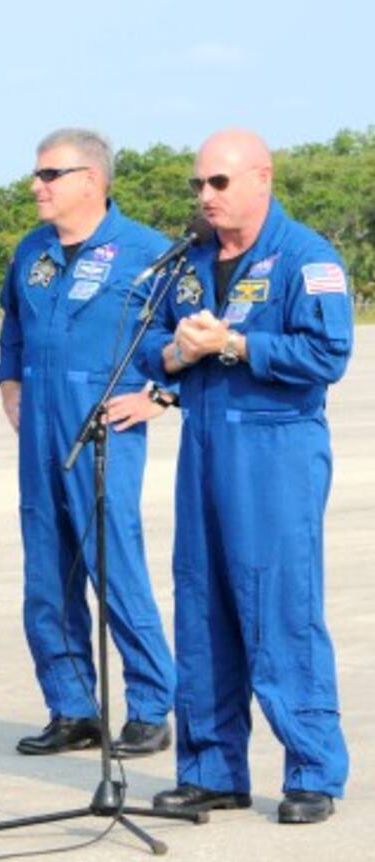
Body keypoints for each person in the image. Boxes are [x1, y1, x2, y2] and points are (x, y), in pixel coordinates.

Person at [139, 129, 351, 824]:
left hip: (275, 450)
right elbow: (141, 340)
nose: (206, 197)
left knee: (278, 607)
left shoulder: (305, 258)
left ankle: (313, 768)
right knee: (201, 605)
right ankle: (211, 770)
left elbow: (328, 351)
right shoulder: (189, 263)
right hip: (203, 446)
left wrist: (233, 343)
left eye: (220, 184)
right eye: (199, 185)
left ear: (262, 178)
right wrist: (174, 352)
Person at [0, 129, 177, 757]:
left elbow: (198, 340)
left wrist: (158, 397)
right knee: (46, 573)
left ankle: (152, 705)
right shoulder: (32, 251)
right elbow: (13, 324)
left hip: (104, 426)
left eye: (50, 175)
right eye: (37, 173)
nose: (36, 185)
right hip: (40, 424)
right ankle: (72, 707)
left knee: (113, 565)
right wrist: (8, 382)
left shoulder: (149, 254)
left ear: (91, 181)